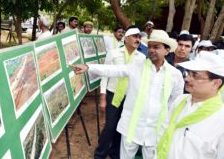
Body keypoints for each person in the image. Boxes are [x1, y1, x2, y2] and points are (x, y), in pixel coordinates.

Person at [71, 30, 184, 159]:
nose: (151, 50)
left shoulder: (175, 75)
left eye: (156, 47)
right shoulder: (137, 66)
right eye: (150, 46)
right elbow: (114, 70)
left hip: (155, 131)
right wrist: (88, 67)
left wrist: (167, 124)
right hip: (132, 127)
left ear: (167, 50)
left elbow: (175, 102)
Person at [156, 51, 224, 159]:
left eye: (195, 76)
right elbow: (164, 130)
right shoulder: (180, 100)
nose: (187, 79)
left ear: (215, 83)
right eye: (189, 73)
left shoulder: (220, 119)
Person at [96, 26, 146, 159]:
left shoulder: (141, 58)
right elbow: (105, 75)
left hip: (130, 97)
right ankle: (100, 154)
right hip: (113, 94)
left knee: (122, 127)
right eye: (135, 36)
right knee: (110, 126)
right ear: (126, 38)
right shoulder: (113, 53)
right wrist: (102, 97)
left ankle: (114, 153)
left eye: (139, 37)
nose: (138, 39)